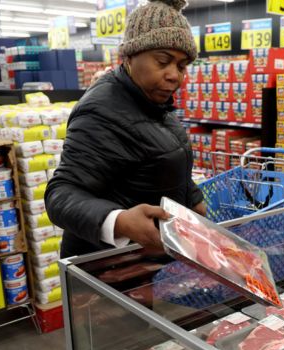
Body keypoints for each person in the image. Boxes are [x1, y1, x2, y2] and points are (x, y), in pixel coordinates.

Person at [45, 0, 205, 258]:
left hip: (147, 261)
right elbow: (61, 195)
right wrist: (119, 221)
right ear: (130, 56)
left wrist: (193, 198)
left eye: (181, 65)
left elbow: (162, 157)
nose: (174, 75)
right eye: (163, 61)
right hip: (106, 269)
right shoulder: (101, 111)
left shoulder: (152, 101)